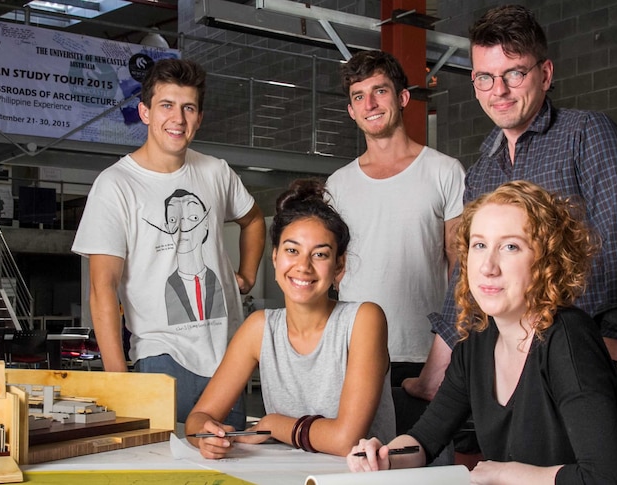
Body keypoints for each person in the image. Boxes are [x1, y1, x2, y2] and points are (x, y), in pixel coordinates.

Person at [404, 4, 617, 420]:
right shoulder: (484, 169)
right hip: (513, 371)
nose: (498, 90)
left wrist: (606, 363)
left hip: (583, 362)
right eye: (485, 77)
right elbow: (469, 277)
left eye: (514, 73)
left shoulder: (586, 135)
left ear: (545, 74)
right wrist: (436, 373)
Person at [348, 180, 617, 485]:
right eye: (479, 245)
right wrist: (386, 455)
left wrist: (503, 472)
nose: (488, 266)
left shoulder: (567, 337)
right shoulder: (476, 342)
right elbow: (425, 439)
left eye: (510, 246)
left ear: (547, 261)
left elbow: (605, 478)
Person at [71, 58, 266, 427]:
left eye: (188, 108)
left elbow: (253, 219)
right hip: (162, 356)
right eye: (166, 106)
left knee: (231, 469)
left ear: (199, 117)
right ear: (144, 112)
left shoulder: (215, 171)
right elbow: (102, 288)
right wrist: (118, 381)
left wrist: (247, 275)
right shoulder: (115, 185)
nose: (178, 118)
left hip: (229, 355)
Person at [186, 179, 395, 459]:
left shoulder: (364, 320)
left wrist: (273, 425)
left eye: (320, 254)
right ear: (274, 257)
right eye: (292, 250)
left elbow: (347, 440)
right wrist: (207, 436)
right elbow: (198, 419)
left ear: (339, 266)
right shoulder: (260, 328)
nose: (303, 266)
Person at [325, 50, 466, 391]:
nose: (369, 103)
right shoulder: (337, 185)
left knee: (423, 446)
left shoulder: (444, 171)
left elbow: (461, 266)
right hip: (354, 351)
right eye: (359, 96)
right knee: (354, 446)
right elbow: (332, 268)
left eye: (380, 91)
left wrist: (453, 347)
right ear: (351, 110)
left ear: (402, 97)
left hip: (425, 352)